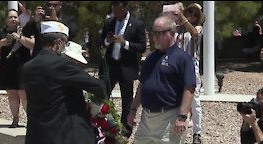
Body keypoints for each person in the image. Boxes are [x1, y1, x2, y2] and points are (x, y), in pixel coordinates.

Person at [22, 21, 108, 144]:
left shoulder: (28, 66)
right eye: (65, 43)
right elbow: (96, 85)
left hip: (36, 134)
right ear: (58, 44)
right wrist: (97, 104)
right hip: (63, 134)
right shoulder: (60, 64)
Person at [127, 15, 196, 144]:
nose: (155, 37)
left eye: (160, 33)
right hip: (147, 118)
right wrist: (133, 109)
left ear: (171, 33)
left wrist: (182, 116)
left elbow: (189, 88)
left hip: (169, 117)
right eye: (154, 33)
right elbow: (142, 85)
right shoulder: (150, 57)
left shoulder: (182, 58)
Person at [99, 1, 146, 139]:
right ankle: (103, 125)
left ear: (125, 8)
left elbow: (142, 47)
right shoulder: (109, 22)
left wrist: (124, 43)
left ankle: (125, 130)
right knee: (102, 96)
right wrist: (108, 41)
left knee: (127, 101)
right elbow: (102, 41)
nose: (116, 13)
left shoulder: (137, 24)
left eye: (118, 10)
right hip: (110, 65)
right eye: (114, 9)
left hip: (127, 67)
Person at [0, 9, 30, 128]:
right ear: (6, 20)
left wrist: (20, 38)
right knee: (12, 94)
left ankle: (31, 120)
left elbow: (32, 44)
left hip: (22, 66)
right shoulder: (1, 33)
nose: (13, 19)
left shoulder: (25, 31)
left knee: (23, 94)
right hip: (7, 67)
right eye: (10, 17)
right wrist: (2, 42)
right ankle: (15, 119)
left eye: (15, 17)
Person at [175, 3, 205, 144]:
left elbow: (194, 34)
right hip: (176, 65)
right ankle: (177, 130)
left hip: (191, 64)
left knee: (195, 100)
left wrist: (183, 18)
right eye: (189, 12)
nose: (191, 16)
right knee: (176, 98)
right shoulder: (178, 28)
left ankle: (197, 133)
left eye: (195, 14)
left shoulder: (198, 28)